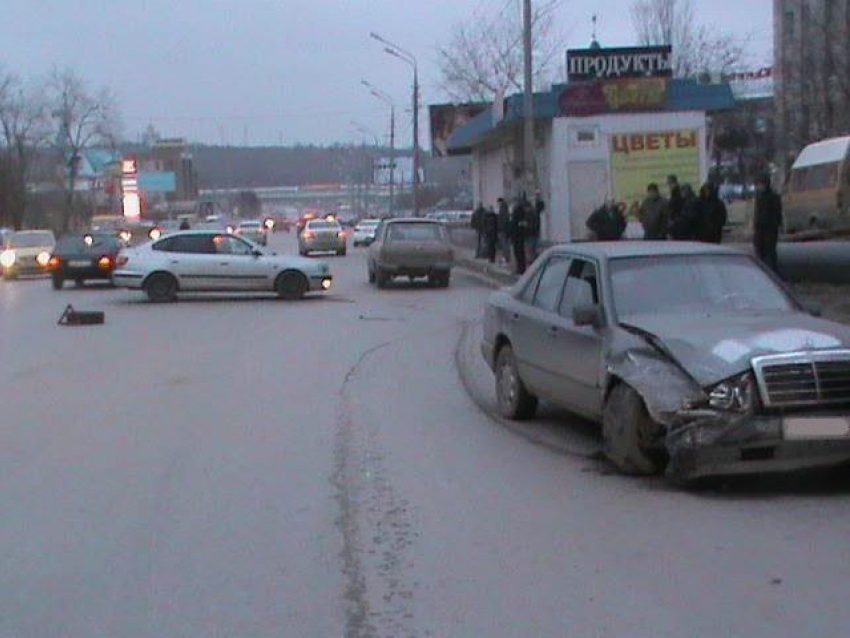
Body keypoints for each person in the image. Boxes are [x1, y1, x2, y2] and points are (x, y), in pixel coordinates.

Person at [753, 174, 783, 272]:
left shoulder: (773, 197)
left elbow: (777, 214)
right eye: (758, 184)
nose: (759, 186)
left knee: (770, 255)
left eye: (761, 184)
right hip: (760, 230)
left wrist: (775, 225)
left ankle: (772, 274)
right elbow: (758, 213)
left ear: (766, 184)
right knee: (760, 253)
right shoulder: (759, 197)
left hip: (769, 230)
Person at [511, 195, 529, 274]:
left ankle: (521, 269)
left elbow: (518, 224)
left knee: (519, 253)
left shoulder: (519, 211)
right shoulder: (518, 211)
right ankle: (520, 268)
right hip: (517, 235)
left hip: (518, 236)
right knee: (518, 253)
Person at [526, 191, 545, 261]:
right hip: (533, 230)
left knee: (532, 246)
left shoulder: (534, 212)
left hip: (533, 231)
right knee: (533, 246)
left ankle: (533, 259)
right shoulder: (533, 212)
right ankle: (534, 258)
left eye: (538, 195)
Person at [497, 197, 512, 265]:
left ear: (500, 202)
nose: (498, 204)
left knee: (504, 244)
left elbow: (502, 220)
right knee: (506, 244)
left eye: (498, 203)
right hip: (506, 230)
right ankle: (506, 257)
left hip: (503, 230)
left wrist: (500, 228)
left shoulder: (502, 209)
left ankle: (506, 258)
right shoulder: (505, 208)